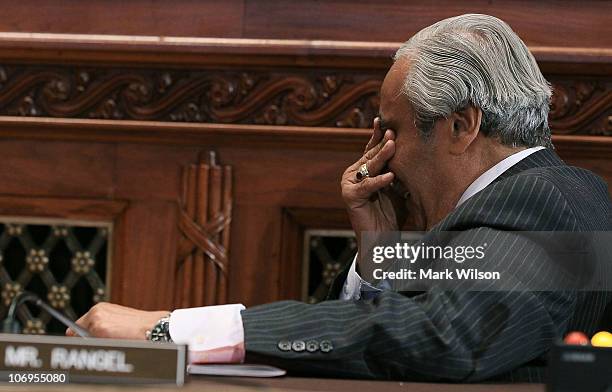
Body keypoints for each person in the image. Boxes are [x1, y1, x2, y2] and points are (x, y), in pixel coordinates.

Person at [66, 14, 612, 382]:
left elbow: (444, 337)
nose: (381, 157)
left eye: (391, 131)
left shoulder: (546, 201)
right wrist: (380, 252)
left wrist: (169, 331)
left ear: (460, 125)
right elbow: (402, 338)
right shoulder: (522, 203)